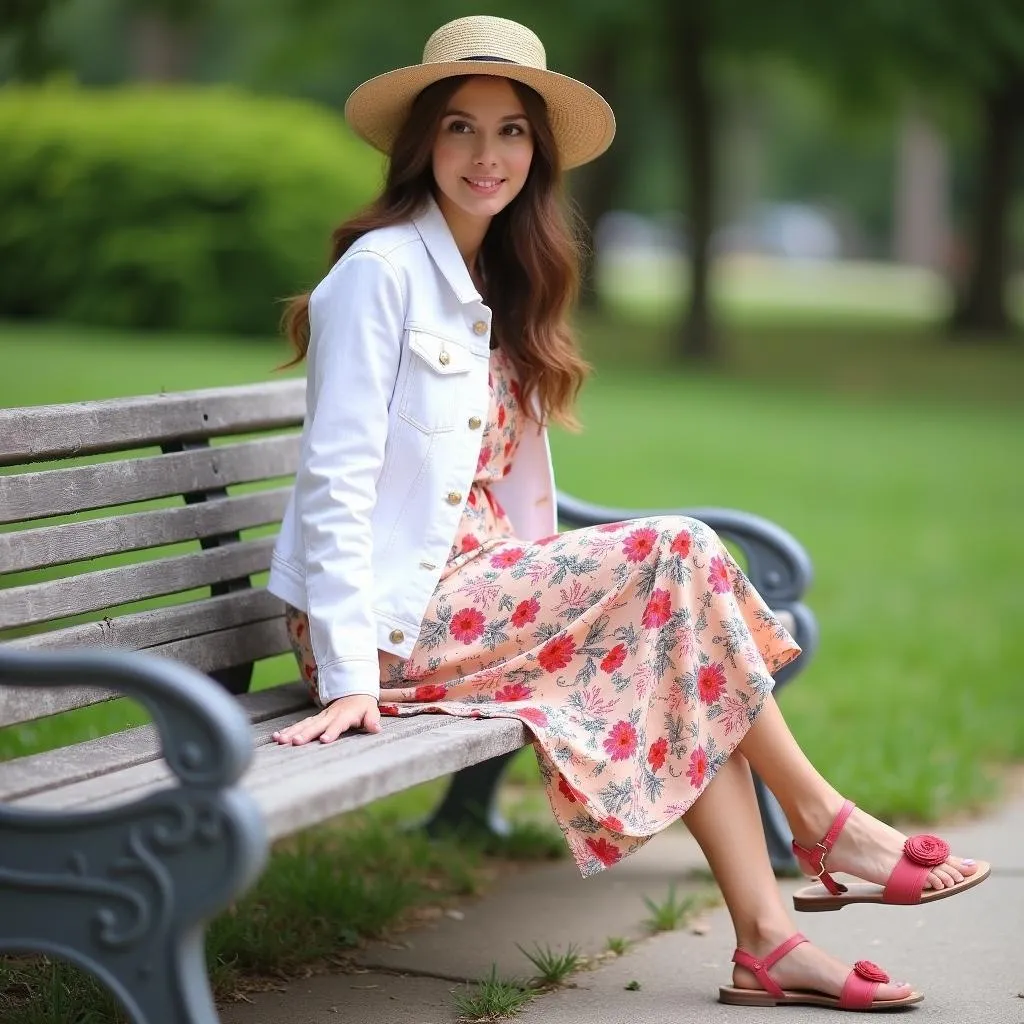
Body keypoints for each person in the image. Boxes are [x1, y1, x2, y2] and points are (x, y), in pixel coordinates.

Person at [266, 15, 989, 1011]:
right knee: (680, 553)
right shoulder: (380, 274)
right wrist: (348, 674)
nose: (488, 155)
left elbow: (503, 490)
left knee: (676, 633)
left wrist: (568, 602)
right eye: (461, 128)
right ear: (420, 143)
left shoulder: (499, 278)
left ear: (538, 149)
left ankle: (768, 944)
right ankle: (823, 822)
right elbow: (337, 485)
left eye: (512, 130)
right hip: (386, 622)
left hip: (474, 596)